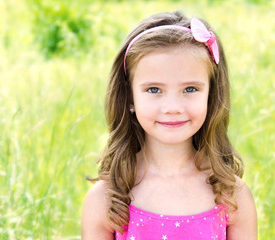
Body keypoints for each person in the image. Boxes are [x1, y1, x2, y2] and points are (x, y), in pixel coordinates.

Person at [81, 11, 257, 240]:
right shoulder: (107, 199)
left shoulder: (232, 196)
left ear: (211, 95)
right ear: (130, 97)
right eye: (154, 90)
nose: (172, 107)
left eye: (190, 89)